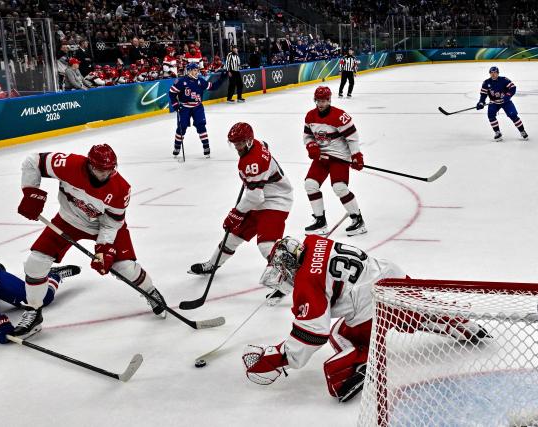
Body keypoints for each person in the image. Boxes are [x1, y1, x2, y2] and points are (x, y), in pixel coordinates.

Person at [241, 235, 490, 402]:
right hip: (391, 275)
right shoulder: (314, 241)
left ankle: (357, 364)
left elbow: (313, 333)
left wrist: (279, 356)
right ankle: (459, 322)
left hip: (371, 302)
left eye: (283, 270)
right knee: (411, 313)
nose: (283, 276)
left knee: (339, 340)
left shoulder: (307, 281)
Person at [13, 144, 168, 337]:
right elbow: (32, 160)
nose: (104, 174)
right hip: (67, 220)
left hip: (103, 226)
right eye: (99, 170)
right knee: (35, 263)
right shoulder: (69, 164)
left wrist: (104, 249)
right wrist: (30, 192)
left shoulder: (121, 188)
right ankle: (33, 311)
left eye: (109, 170)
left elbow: (112, 224)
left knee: (125, 268)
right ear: (89, 164)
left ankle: (150, 292)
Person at [189, 123, 293, 304]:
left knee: (266, 245)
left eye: (240, 143)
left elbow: (255, 196)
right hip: (261, 200)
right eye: (234, 143)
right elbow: (264, 150)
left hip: (276, 200)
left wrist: (235, 214)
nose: (237, 147)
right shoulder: (257, 146)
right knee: (233, 238)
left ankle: (288, 279)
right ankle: (213, 264)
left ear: (250, 141)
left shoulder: (252, 162)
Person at [303, 86, 366, 236]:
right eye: (319, 101)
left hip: (339, 157)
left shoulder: (339, 116)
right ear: (315, 100)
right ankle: (320, 221)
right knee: (310, 184)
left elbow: (352, 137)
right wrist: (311, 146)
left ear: (329, 100)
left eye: (324, 100)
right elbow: (308, 136)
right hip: (322, 156)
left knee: (339, 187)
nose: (321, 104)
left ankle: (357, 220)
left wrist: (356, 155)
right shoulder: (310, 116)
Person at [168, 63, 224, 158]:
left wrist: (222, 78)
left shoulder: (200, 81)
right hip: (184, 107)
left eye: (197, 70)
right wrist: (175, 105)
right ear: (189, 71)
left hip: (197, 107)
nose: (197, 72)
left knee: (201, 126)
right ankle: (177, 146)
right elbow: (172, 93)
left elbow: (212, 87)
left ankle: (206, 146)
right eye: (194, 70)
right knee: (182, 127)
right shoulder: (181, 81)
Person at [476, 66, 529, 141]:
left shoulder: (504, 80)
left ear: (498, 73)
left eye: (495, 72)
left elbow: (513, 88)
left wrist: (507, 97)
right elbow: (483, 94)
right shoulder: (486, 82)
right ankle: (497, 132)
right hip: (494, 102)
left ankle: (522, 131)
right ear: (490, 74)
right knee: (491, 115)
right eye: (491, 73)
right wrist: (481, 102)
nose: (493, 74)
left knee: (513, 115)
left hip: (505, 102)